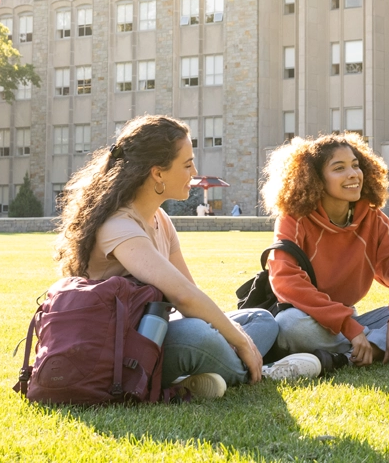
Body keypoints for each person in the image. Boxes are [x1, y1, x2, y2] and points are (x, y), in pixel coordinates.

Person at [52, 115, 320, 399]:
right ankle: (263, 372)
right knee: (200, 336)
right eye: (187, 163)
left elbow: (190, 291)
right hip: (119, 349)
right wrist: (237, 341)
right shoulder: (118, 226)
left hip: (157, 332)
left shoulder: (160, 219)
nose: (194, 170)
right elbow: (182, 297)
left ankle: (197, 376)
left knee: (260, 320)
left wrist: (231, 334)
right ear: (157, 173)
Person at [262, 133, 389, 367]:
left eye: (355, 165)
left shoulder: (373, 220)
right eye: (339, 168)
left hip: (350, 324)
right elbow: (285, 281)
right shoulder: (294, 219)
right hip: (313, 319)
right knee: (290, 324)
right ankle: (384, 348)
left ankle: (348, 357)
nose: (353, 174)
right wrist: (348, 327)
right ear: (315, 179)